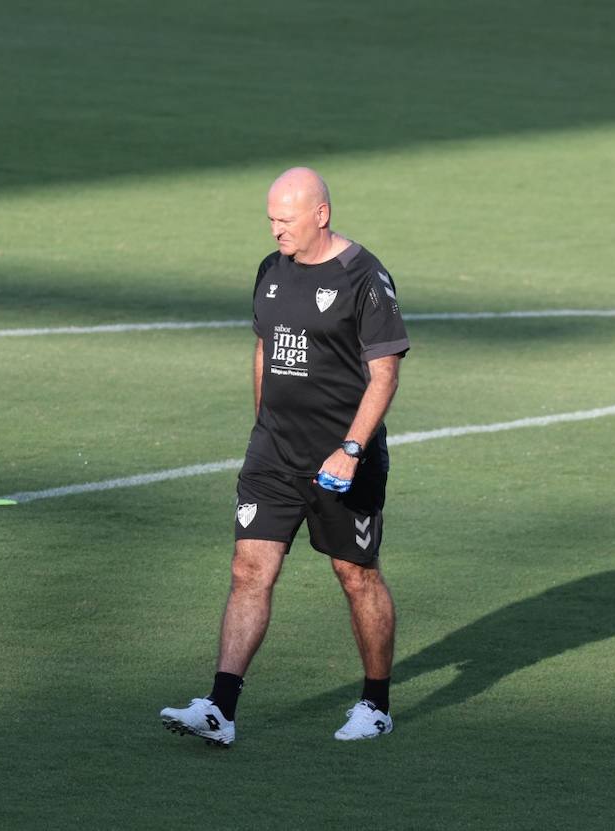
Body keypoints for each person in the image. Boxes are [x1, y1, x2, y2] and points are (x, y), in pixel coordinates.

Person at [160, 167, 411, 746]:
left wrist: (352, 449)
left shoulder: (364, 277)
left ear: (320, 214)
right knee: (249, 570)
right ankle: (220, 707)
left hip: (341, 464)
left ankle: (375, 704)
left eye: (286, 219)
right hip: (273, 454)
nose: (276, 230)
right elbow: (264, 347)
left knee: (356, 576)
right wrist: (261, 427)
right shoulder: (271, 271)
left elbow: (384, 373)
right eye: (271, 219)